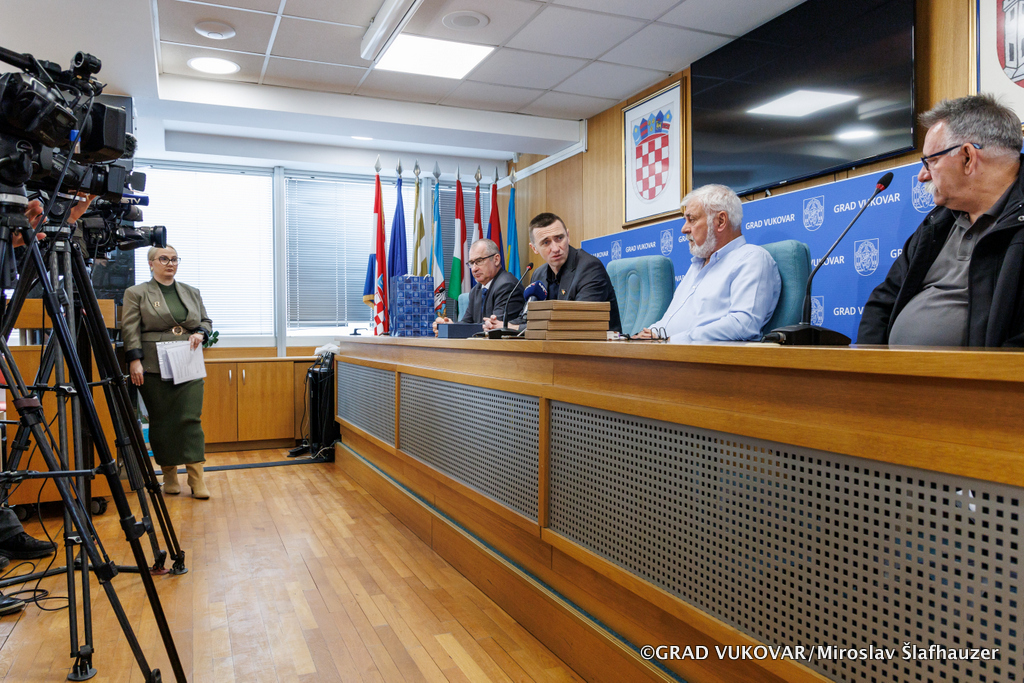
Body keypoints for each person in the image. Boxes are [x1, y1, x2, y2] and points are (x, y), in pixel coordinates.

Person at [859, 94, 1024, 346]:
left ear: (967, 157)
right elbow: (883, 302)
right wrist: (869, 364)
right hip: (893, 369)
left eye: (931, 161)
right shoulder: (936, 224)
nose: (922, 176)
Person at [635, 184, 780, 343]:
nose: (684, 229)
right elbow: (669, 321)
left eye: (691, 220)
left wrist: (672, 340)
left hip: (703, 356)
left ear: (720, 221)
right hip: (667, 350)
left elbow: (743, 324)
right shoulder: (697, 265)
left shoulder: (752, 258)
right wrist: (649, 334)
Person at [122, 246, 213, 498]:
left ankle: (196, 479)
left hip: (187, 361)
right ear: (151, 263)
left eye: (174, 259)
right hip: (153, 365)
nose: (170, 263)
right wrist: (134, 360)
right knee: (161, 421)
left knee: (190, 418)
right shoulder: (136, 293)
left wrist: (200, 333)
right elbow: (130, 328)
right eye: (163, 259)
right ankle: (169, 475)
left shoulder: (191, 292)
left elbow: (206, 321)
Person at [494, 212, 621, 332]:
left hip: (595, 344)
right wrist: (501, 325)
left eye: (559, 238)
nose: (555, 248)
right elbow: (527, 317)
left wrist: (516, 328)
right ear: (534, 248)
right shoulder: (539, 274)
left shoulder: (590, 268)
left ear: (568, 236)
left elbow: (578, 322)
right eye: (546, 242)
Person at [433, 238, 524, 334]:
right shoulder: (476, 290)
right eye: (472, 263)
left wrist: (454, 329)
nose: (474, 269)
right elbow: (467, 323)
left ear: (496, 260)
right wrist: (449, 327)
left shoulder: (507, 286)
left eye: (479, 261)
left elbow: (493, 328)